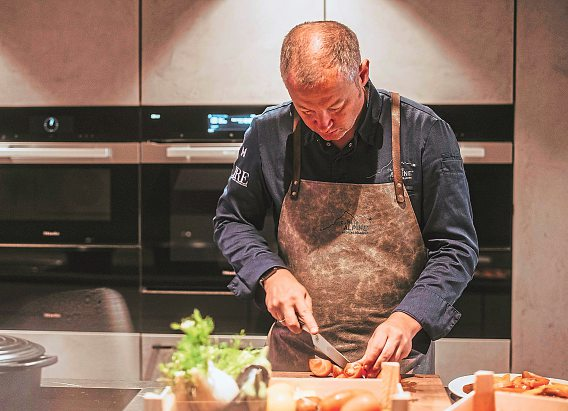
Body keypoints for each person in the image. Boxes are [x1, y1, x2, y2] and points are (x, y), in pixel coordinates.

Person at [214, 21, 478, 375]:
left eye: (335, 106)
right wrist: (269, 272)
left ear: (362, 73)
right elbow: (232, 221)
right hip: (295, 360)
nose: (323, 123)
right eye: (306, 110)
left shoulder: (424, 133)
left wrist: (411, 316)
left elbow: (455, 247)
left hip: (396, 366)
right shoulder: (268, 132)